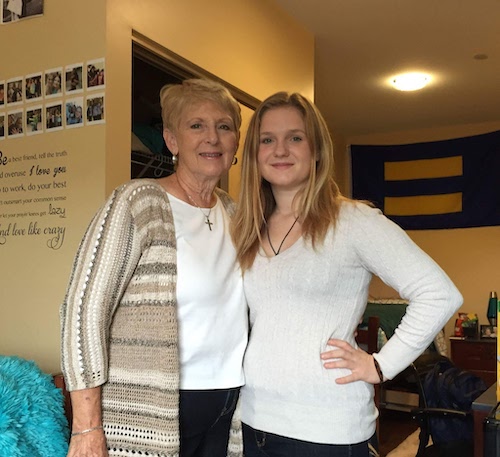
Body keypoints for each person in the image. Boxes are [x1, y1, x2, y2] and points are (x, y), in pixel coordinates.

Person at [230, 91, 463, 457]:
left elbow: (439, 294)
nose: (280, 150)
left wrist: (381, 365)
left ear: (317, 150)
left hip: (328, 428)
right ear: (254, 154)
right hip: (256, 420)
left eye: (295, 137)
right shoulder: (247, 228)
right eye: (267, 140)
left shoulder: (353, 221)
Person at [60, 78, 247, 457]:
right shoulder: (137, 203)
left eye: (224, 126)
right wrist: (86, 426)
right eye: (196, 125)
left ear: (236, 142)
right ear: (171, 140)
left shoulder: (236, 213)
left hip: (231, 403)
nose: (212, 137)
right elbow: (83, 310)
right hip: (153, 407)